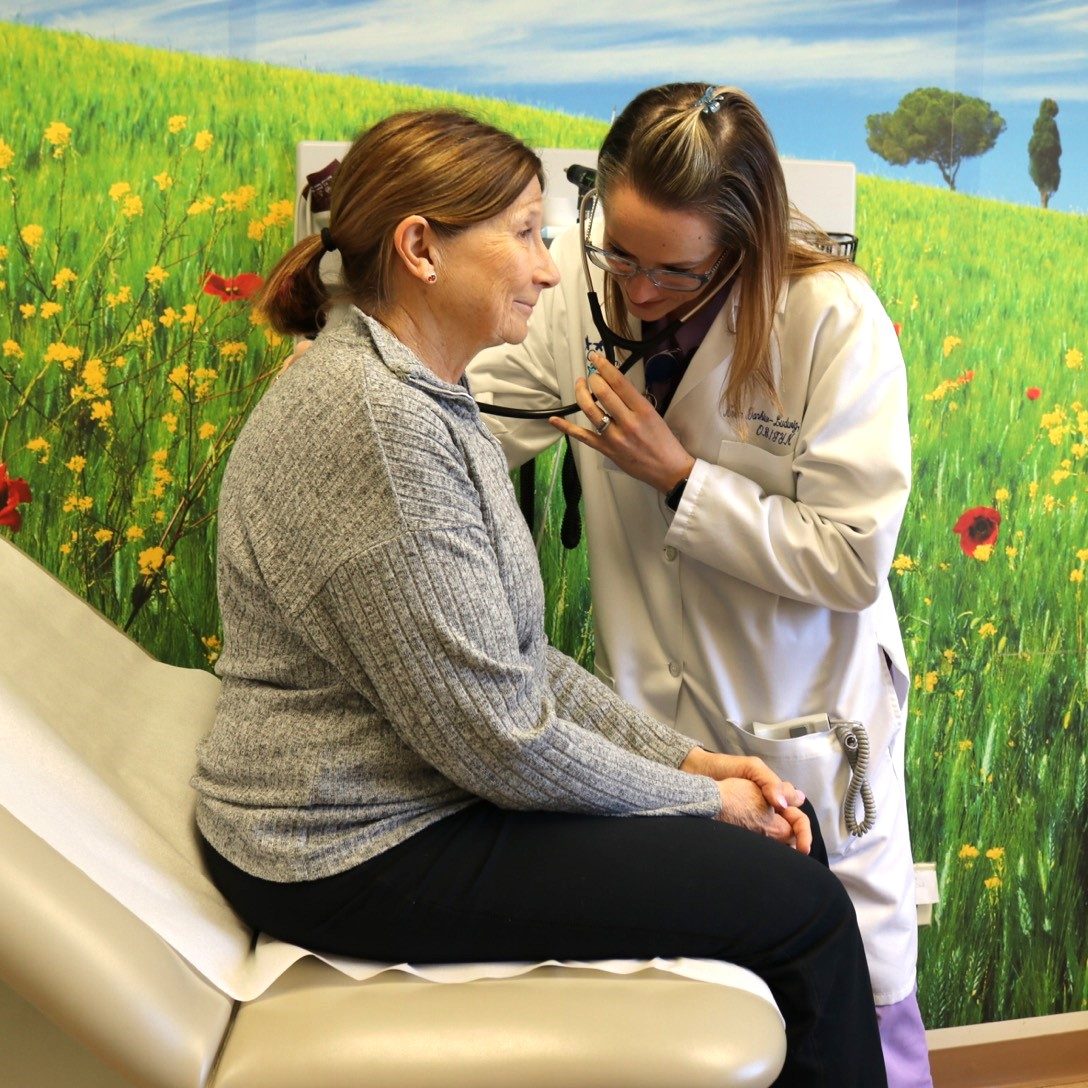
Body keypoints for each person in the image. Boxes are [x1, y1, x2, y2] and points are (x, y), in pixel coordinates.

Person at [192, 108, 887, 1085]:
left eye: (548, 232)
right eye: (526, 233)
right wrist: (702, 795)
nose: (560, 269)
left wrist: (686, 757)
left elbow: (508, 658)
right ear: (420, 249)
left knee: (791, 880)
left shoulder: (413, 393)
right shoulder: (386, 422)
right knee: (803, 910)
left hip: (388, 801)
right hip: (347, 840)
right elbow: (500, 734)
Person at [467, 84, 929, 1087]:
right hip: (656, 716)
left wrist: (679, 479)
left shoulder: (828, 321)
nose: (635, 290)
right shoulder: (584, 306)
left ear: (743, 246)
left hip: (803, 711)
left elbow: (850, 558)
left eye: (673, 269)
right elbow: (472, 424)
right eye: (619, 254)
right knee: (688, 1011)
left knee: (852, 987)